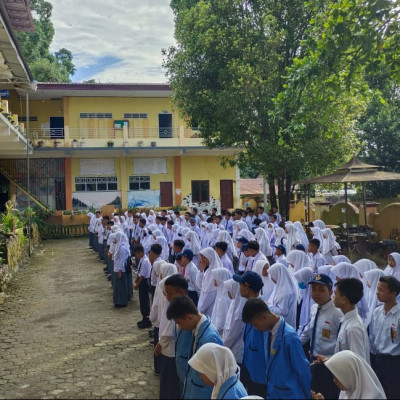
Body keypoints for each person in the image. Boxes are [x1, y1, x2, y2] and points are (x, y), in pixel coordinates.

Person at [242, 298, 311, 399]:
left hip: (289, 394)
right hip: (273, 393)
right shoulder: (266, 333)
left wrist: (307, 396)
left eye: (255, 325)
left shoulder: (289, 337)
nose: (255, 328)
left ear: (264, 317)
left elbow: (302, 370)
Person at [166, 295, 223, 399]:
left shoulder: (209, 339)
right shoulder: (196, 329)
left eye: (179, 323)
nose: (180, 327)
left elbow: (215, 378)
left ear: (189, 317)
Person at [302, 273, 342, 399]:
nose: (316, 294)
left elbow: (342, 343)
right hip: (313, 362)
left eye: (321, 290)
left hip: (329, 365)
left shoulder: (337, 313)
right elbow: (308, 330)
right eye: (313, 289)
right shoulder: (314, 308)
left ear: (330, 291)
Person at [232, 272, 267, 398]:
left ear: (247, 288)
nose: (239, 287)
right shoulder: (250, 305)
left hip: (259, 370)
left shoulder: (262, 310)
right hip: (249, 364)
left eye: (240, 284)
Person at [321, 278, 370, 362]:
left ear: (344, 299)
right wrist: (329, 361)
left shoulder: (353, 328)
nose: (333, 296)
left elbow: (358, 363)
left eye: (335, 293)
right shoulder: (346, 320)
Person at [155, 274, 187, 399]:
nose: (167, 297)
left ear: (180, 292)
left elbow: (169, 332)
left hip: (172, 351)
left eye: (169, 293)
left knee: (170, 383)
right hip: (171, 350)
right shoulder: (175, 304)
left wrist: (160, 344)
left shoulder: (180, 308)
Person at [369, 276, 400, 399]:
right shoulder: (377, 312)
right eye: (377, 289)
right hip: (378, 360)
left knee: (394, 393)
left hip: (394, 362)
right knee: (379, 393)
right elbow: (373, 336)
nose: (377, 293)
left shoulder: (398, 315)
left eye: (381, 290)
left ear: (393, 293)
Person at [311, 350, 386, 399]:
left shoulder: (372, 397)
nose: (334, 380)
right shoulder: (346, 392)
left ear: (348, 376)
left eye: (337, 377)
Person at [267, 263, 300, 329]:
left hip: (283, 325)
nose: (271, 278)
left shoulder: (286, 292)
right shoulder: (281, 286)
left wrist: (267, 306)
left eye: (272, 276)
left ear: (278, 275)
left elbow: (282, 311)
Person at [222, 279, 247, 365]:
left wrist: (224, 346)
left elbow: (234, 333)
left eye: (229, 290)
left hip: (235, 349)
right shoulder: (234, 303)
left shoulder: (240, 309)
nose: (227, 293)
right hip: (228, 346)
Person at [196, 247, 223, 316]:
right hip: (203, 305)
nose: (202, 260)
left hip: (210, 307)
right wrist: (201, 270)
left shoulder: (216, 272)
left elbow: (210, 294)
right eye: (201, 258)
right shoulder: (208, 271)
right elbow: (199, 285)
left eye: (204, 258)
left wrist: (200, 309)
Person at [133, 245, 152, 329]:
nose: (136, 256)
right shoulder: (142, 259)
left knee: (145, 301)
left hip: (144, 282)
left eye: (137, 254)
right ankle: (144, 317)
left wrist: (137, 284)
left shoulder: (145, 261)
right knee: (142, 300)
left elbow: (143, 275)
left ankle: (147, 319)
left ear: (140, 253)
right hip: (141, 281)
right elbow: (139, 272)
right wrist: (136, 281)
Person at [210, 268, 232, 335]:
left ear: (220, 279)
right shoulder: (221, 293)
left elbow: (220, 324)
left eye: (215, 278)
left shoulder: (223, 298)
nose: (214, 280)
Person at [112, 231, 130, 308]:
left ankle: (121, 301)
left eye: (116, 238)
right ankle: (118, 300)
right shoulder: (118, 246)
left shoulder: (122, 248)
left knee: (121, 286)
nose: (114, 239)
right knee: (118, 286)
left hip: (121, 270)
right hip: (117, 269)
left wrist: (120, 270)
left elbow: (123, 260)